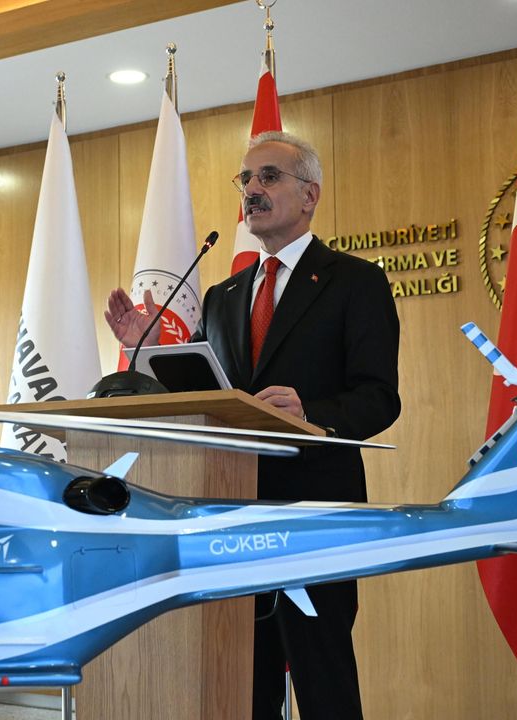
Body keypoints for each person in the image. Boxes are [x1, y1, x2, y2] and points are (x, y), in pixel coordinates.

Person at [104, 131, 400, 720]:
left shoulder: (354, 281)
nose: (252, 190)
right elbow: (204, 395)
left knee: (323, 678)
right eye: (246, 179)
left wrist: (309, 412)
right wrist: (151, 349)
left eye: (268, 176)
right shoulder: (223, 295)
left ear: (310, 195)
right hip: (231, 513)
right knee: (244, 680)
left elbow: (379, 398)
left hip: (314, 512)